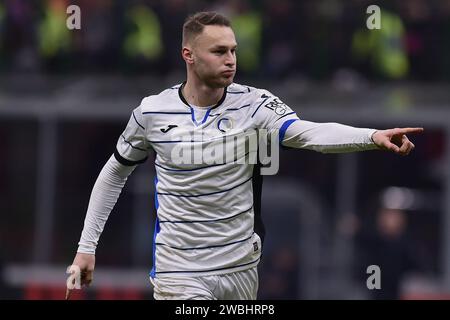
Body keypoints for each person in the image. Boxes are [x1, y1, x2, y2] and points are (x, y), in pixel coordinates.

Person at [66, 11, 423, 300]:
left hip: (240, 270)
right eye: (219, 51)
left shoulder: (255, 104)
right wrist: (87, 246)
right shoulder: (152, 112)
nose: (231, 60)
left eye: (233, 50)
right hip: (180, 270)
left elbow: (308, 133)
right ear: (188, 56)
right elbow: (114, 172)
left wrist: (372, 136)